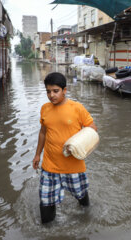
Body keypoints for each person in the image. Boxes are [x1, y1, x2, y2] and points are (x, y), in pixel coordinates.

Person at [32, 72, 97, 224]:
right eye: (48, 91)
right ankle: (48, 232)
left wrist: (77, 145)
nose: (51, 95)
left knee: (82, 199)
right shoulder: (45, 109)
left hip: (73, 165)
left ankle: (88, 220)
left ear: (64, 90)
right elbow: (43, 133)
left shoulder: (77, 108)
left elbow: (92, 128)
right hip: (50, 166)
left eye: (55, 91)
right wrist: (37, 155)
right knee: (46, 207)